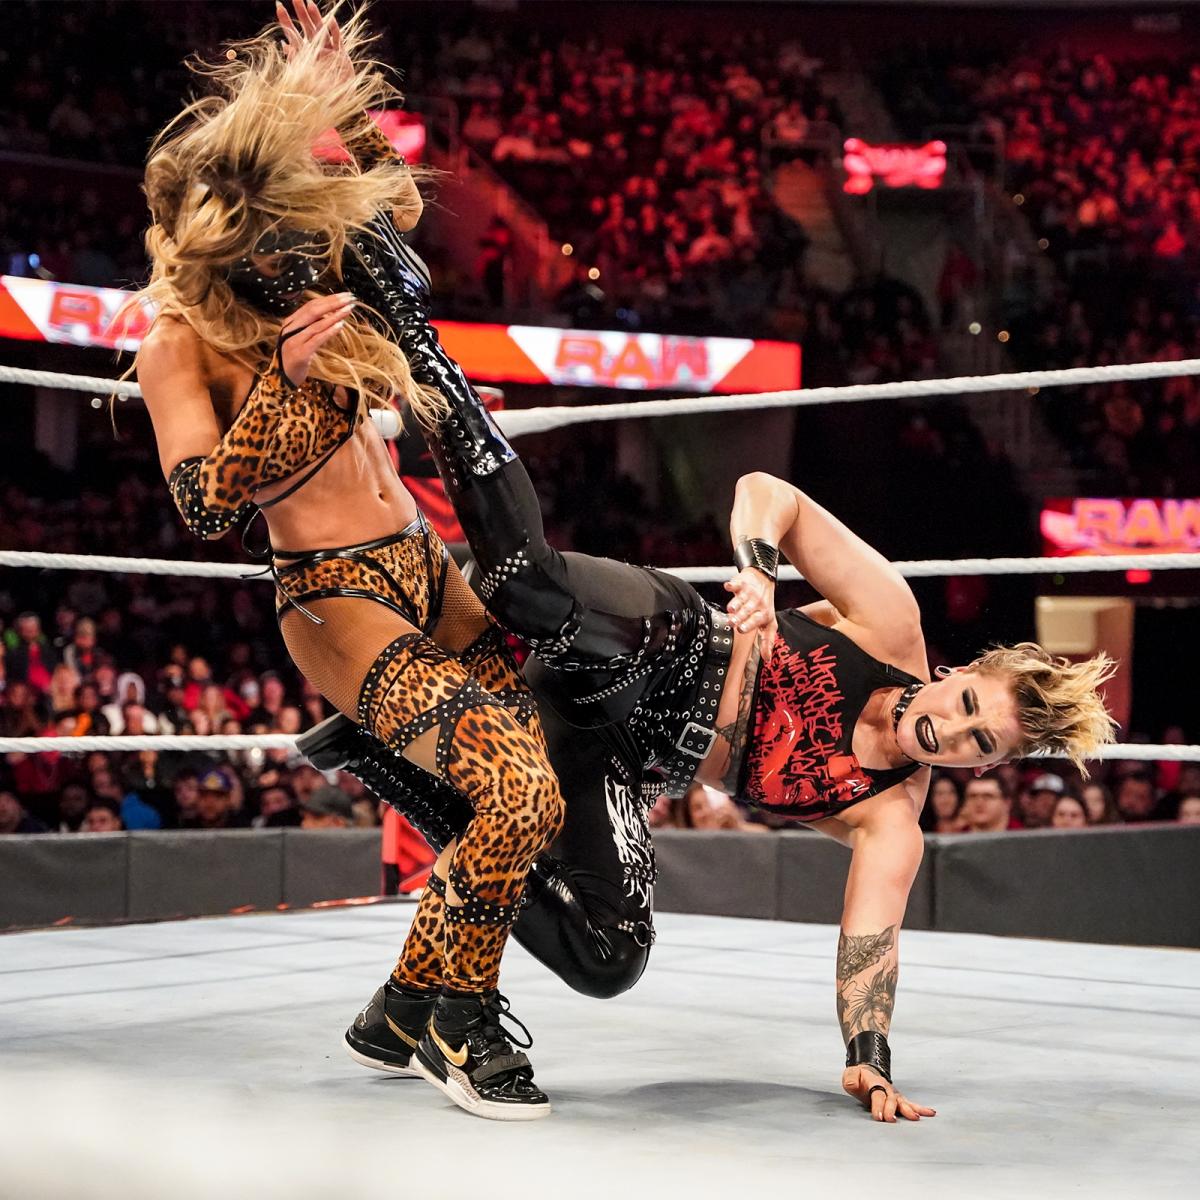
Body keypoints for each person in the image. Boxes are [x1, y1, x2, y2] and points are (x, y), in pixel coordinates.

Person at [306, 249, 1118, 1125]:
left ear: (983, 767)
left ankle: (392, 786)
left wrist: (868, 1060)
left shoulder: (891, 820)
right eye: (966, 707)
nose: (951, 732)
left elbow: (871, 944)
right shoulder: (891, 624)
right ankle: (409, 320)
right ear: (960, 675)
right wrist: (761, 570)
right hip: (675, 643)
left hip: (626, 757)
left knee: (610, 959)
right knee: (522, 584)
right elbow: (770, 491)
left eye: (978, 743)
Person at [134, 0, 565, 1121]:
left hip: (424, 561)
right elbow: (203, 503)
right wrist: (285, 381)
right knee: (514, 792)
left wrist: (344, 102)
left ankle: (400, 1005)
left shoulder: (310, 272)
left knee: (540, 778)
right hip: (334, 598)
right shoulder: (177, 342)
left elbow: (397, 205)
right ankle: (459, 1024)